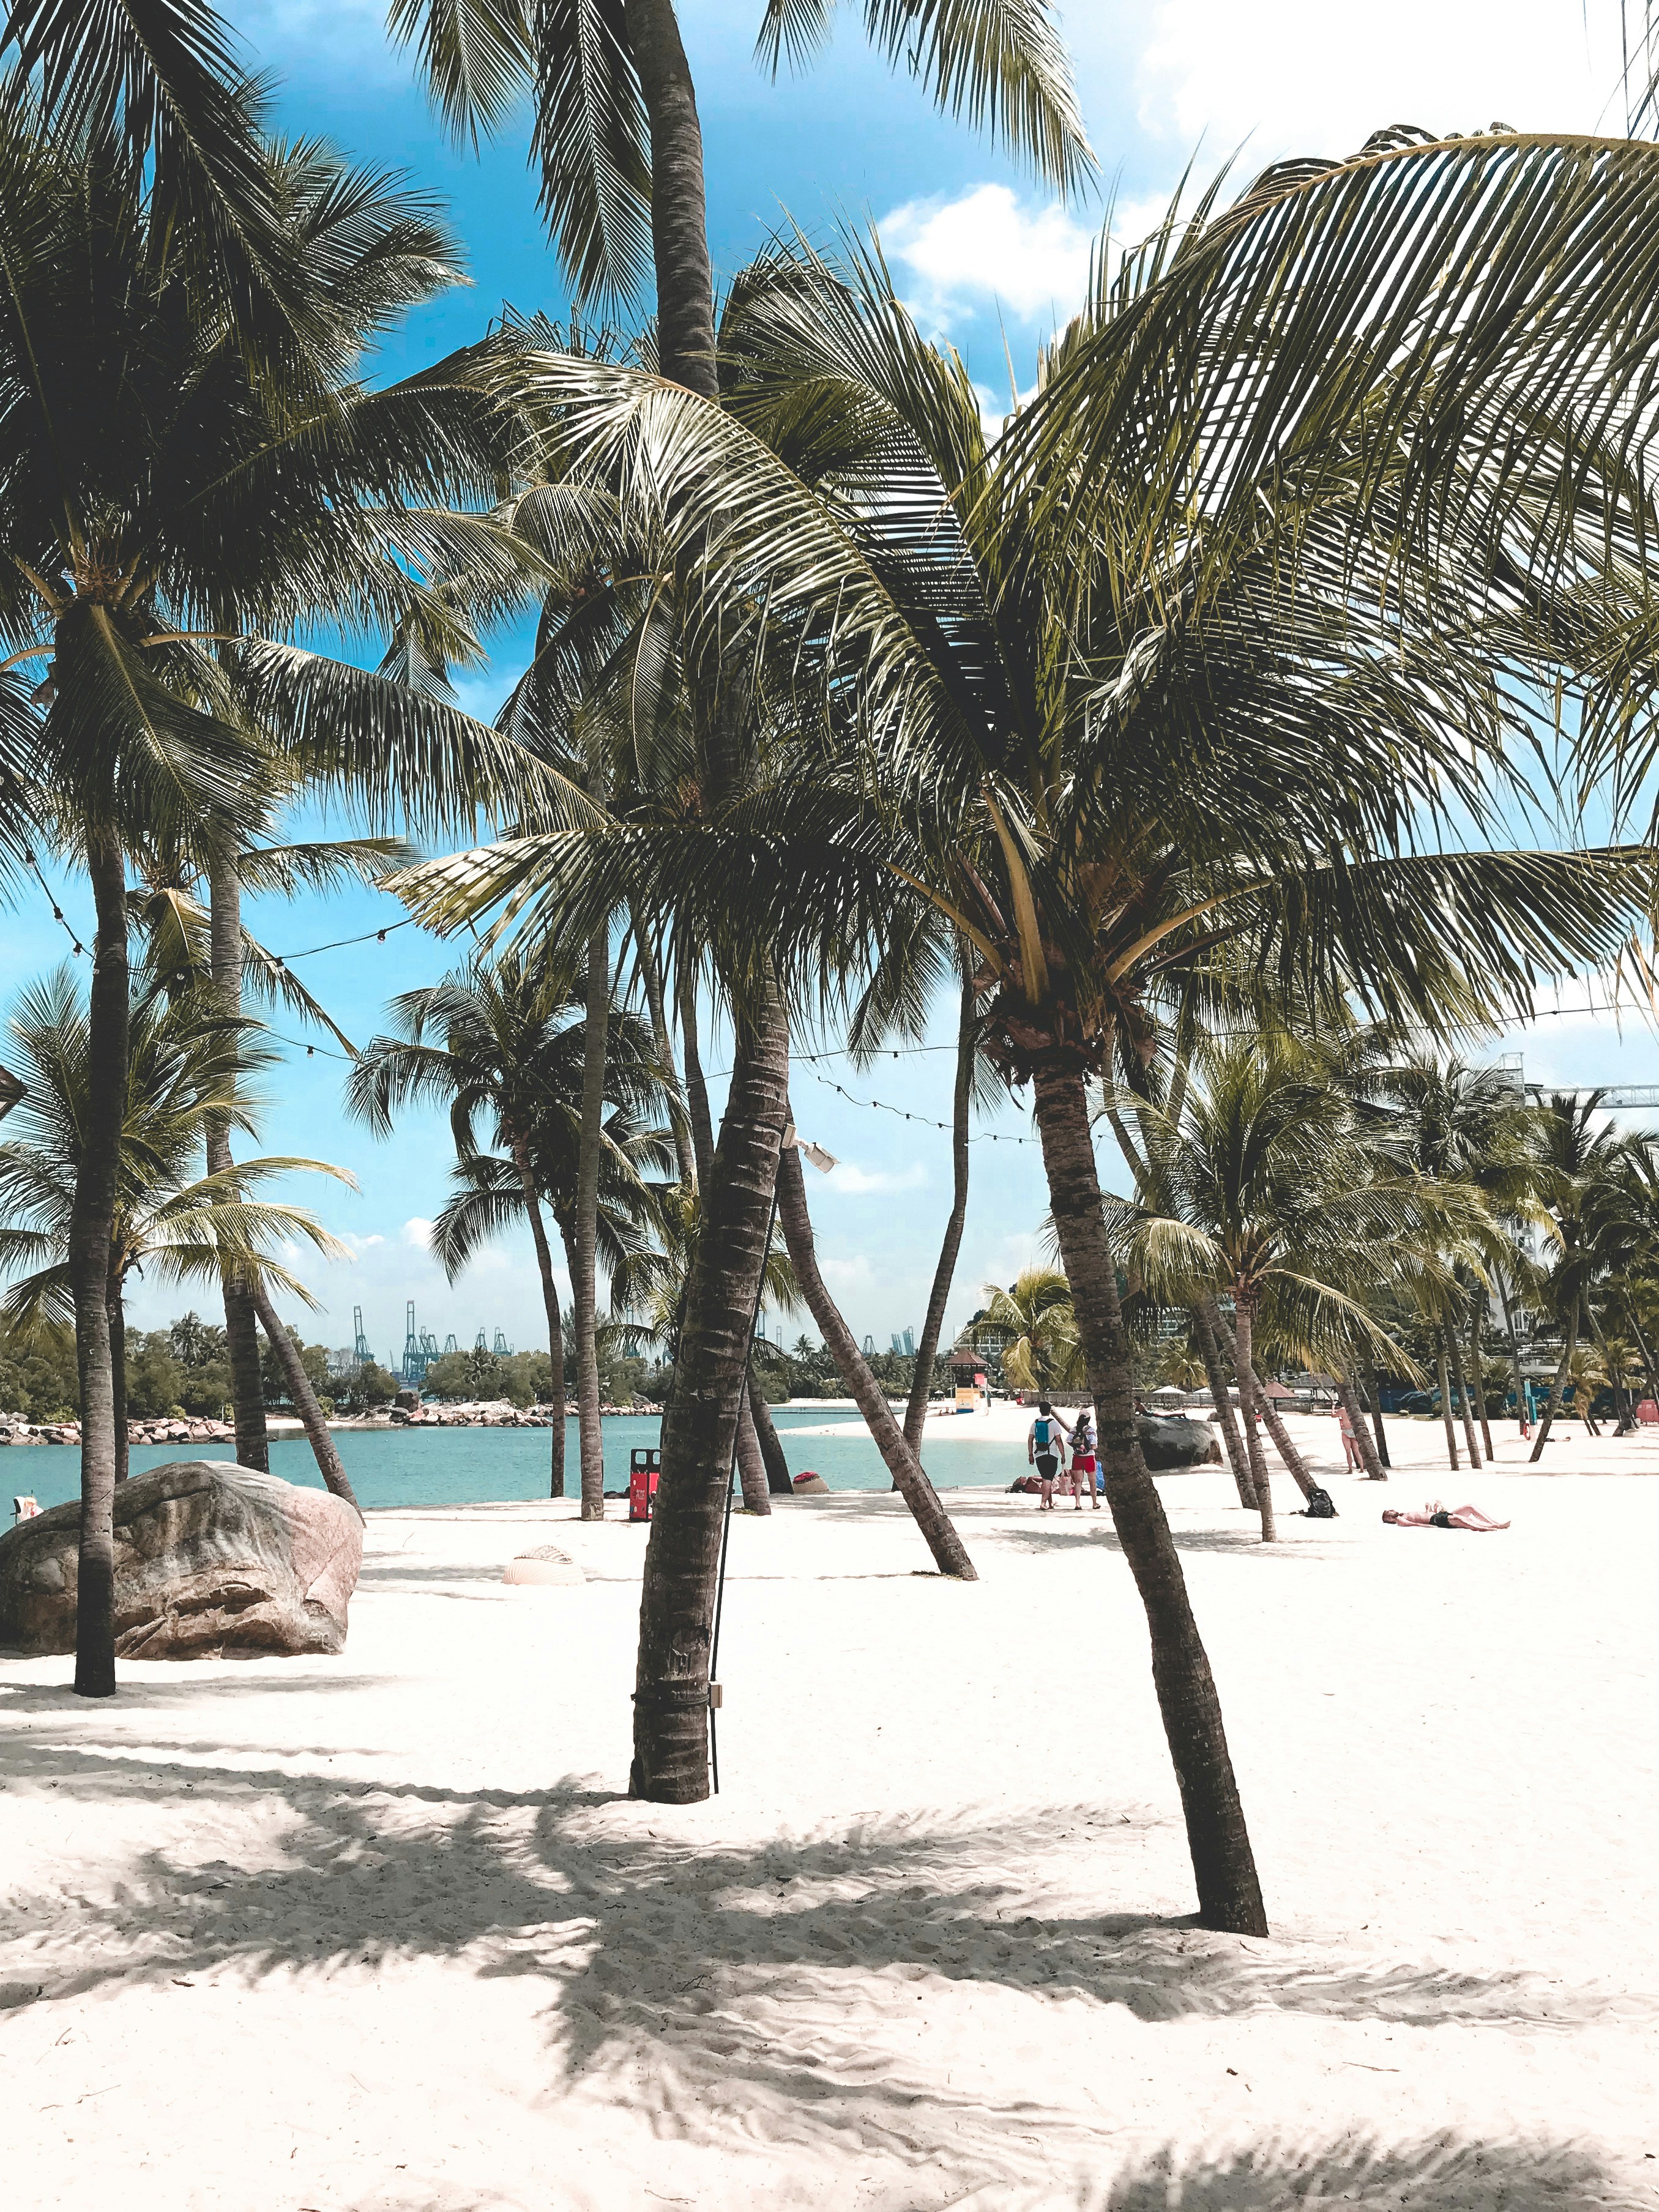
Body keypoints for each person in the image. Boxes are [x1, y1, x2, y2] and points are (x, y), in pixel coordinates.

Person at [1026, 1399, 1072, 1510]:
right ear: (1049, 1411)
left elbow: (1030, 1439)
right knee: (1048, 1479)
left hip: (1039, 1455)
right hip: (1051, 1455)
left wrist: (1031, 1454)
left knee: (1047, 1478)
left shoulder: (1035, 1423)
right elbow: (1059, 1440)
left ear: (1040, 1411)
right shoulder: (1053, 1423)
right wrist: (1063, 1455)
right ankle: (1043, 1503)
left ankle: (1050, 1504)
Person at [1382, 1500, 1511, 1530]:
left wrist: (1428, 1509)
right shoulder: (1399, 1519)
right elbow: (1411, 1524)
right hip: (1437, 1520)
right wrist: (1428, 1527)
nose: (1391, 1510)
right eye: (1389, 1512)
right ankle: (1487, 1528)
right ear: (1389, 1518)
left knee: (1470, 1507)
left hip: (1438, 1515)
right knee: (1461, 1519)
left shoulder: (1404, 1514)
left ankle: (1495, 1523)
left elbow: (1423, 1516)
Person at [1068, 1406, 1100, 1511]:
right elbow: (1094, 1446)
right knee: (1092, 1481)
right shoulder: (1091, 1430)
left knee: (1078, 1482)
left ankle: (1077, 1503)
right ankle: (1094, 1503)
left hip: (1077, 1457)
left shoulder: (1074, 1429)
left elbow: (1069, 1441)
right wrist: (1088, 1447)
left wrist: (1077, 1447)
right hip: (1089, 1457)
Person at [1334, 1396, 1363, 1472]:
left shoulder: (1342, 1410)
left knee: (1348, 1452)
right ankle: (1362, 1468)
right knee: (1357, 1451)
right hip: (1353, 1430)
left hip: (1346, 1431)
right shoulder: (1353, 1409)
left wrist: (1333, 1408)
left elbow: (1333, 1415)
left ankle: (1350, 1469)